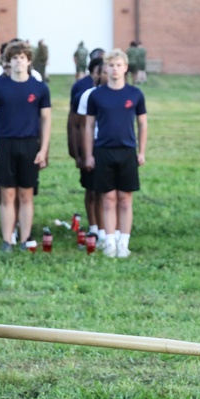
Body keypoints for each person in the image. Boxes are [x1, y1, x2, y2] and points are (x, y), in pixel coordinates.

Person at [0, 41, 51, 251]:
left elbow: (46, 120)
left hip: (30, 145)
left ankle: (24, 239)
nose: (18, 61)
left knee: (26, 195)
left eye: (22, 57)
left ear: (29, 61)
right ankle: (7, 240)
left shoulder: (39, 88)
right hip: (5, 144)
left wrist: (43, 149)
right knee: (7, 195)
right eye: (14, 58)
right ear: (8, 62)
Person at [82, 48, 147, 258]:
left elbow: (142, 124)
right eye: (111, 65)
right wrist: (89, 154)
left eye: (119, 65)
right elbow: (89, 126)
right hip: (104, 151)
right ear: (105, 69)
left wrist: (141, 151)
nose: (115, 69)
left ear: (125, 68)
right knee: (108, 199)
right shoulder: (97, 95)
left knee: (125, 199)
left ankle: (123, 243)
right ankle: (109, 241)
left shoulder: (134, 94)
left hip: (127, 151)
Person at [73, 57, 105, 240]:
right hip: (93, 147)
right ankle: (94, 227)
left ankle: (108, 230)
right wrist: (81, 153)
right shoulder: (87, 96)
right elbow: (79, 126)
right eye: (104, 71)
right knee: (92, 190)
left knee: (108, 193)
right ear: (97, 75)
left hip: (111, 147)